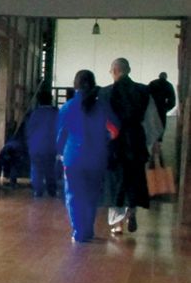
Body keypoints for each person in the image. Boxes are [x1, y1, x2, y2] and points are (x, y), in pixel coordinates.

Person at [100, 58, 163, 234]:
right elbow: (153, 123)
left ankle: (117, 224)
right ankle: (131, 211)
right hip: (135, 140)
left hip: (114, 142)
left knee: (115, 182)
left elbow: (101, 122)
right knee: (134, 179)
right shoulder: (143, 91)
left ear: (113, 71)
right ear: (129, 70)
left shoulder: (105, 93)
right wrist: (150, 142)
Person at [56, 70, 120, 243]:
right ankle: (88, 230)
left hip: (73, 158)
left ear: (75, 84)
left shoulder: (67, 107)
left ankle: (78, 232)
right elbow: (114, 131)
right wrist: (103, 140)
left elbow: (60, 135)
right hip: (97, 157)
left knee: (73, 195)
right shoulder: (103, 107)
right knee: (92, 196)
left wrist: (61, 153)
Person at [25, 90, 60, 197]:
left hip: (35, 146)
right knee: (50, 168)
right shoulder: (56, 113)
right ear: (51, 100)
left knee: (36, 168)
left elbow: (28, 130)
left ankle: (38, 190)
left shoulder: (34, 113)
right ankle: (51, 189)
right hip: (51, 146)